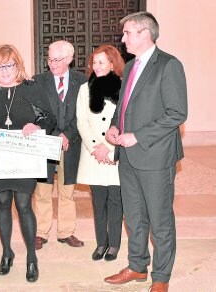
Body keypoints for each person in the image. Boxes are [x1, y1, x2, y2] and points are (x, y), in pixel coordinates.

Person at [104, 12, 187, 292]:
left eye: (127, 33)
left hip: (155, 156)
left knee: (160, 219)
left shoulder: (169, 65)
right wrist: (114, 127)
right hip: (127, 156)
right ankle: (137, 266)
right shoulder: (130, 67)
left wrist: (137, 136)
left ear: (144, 34)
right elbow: (124, 106)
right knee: (135, 216)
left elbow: (177, 113)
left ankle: (161, 277)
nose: (123, 38)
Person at [0, 45, 55, 281]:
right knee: (3, 203)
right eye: (0, 66)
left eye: (10, 65)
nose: (5, 71)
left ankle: (31, 257)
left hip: (25, 158)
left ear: (18, 65)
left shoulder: (31, 88)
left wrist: (36, 126)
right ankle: (7, 253)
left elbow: (50, 119)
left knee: (24, 204)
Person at [32, 40, 87, 250]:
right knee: (42, 190)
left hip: (70, 144)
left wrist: (67, 135)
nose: (52, 64)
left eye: (57, 60)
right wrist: (54, 135)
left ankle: (66, 232)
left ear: (70, 59)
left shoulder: (82, 81)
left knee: (67, 190)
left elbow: (83, 114)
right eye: (49, 59)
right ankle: (40, 233)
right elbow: (36, 112)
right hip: (46, 142)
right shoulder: (38, 81)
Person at [76, 45, 125, 261]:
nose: (96, 66)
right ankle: (100, 243)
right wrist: (96, 146)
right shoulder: (85, 89)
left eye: (101, 62)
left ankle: (114, 244)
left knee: (116, 201)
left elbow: (126, 121)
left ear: (113, 64)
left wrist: (110, 147)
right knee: (98, 202)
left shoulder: (124, 88)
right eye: (94, 62)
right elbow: (82, 121)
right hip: (94, 154)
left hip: (116, 154)